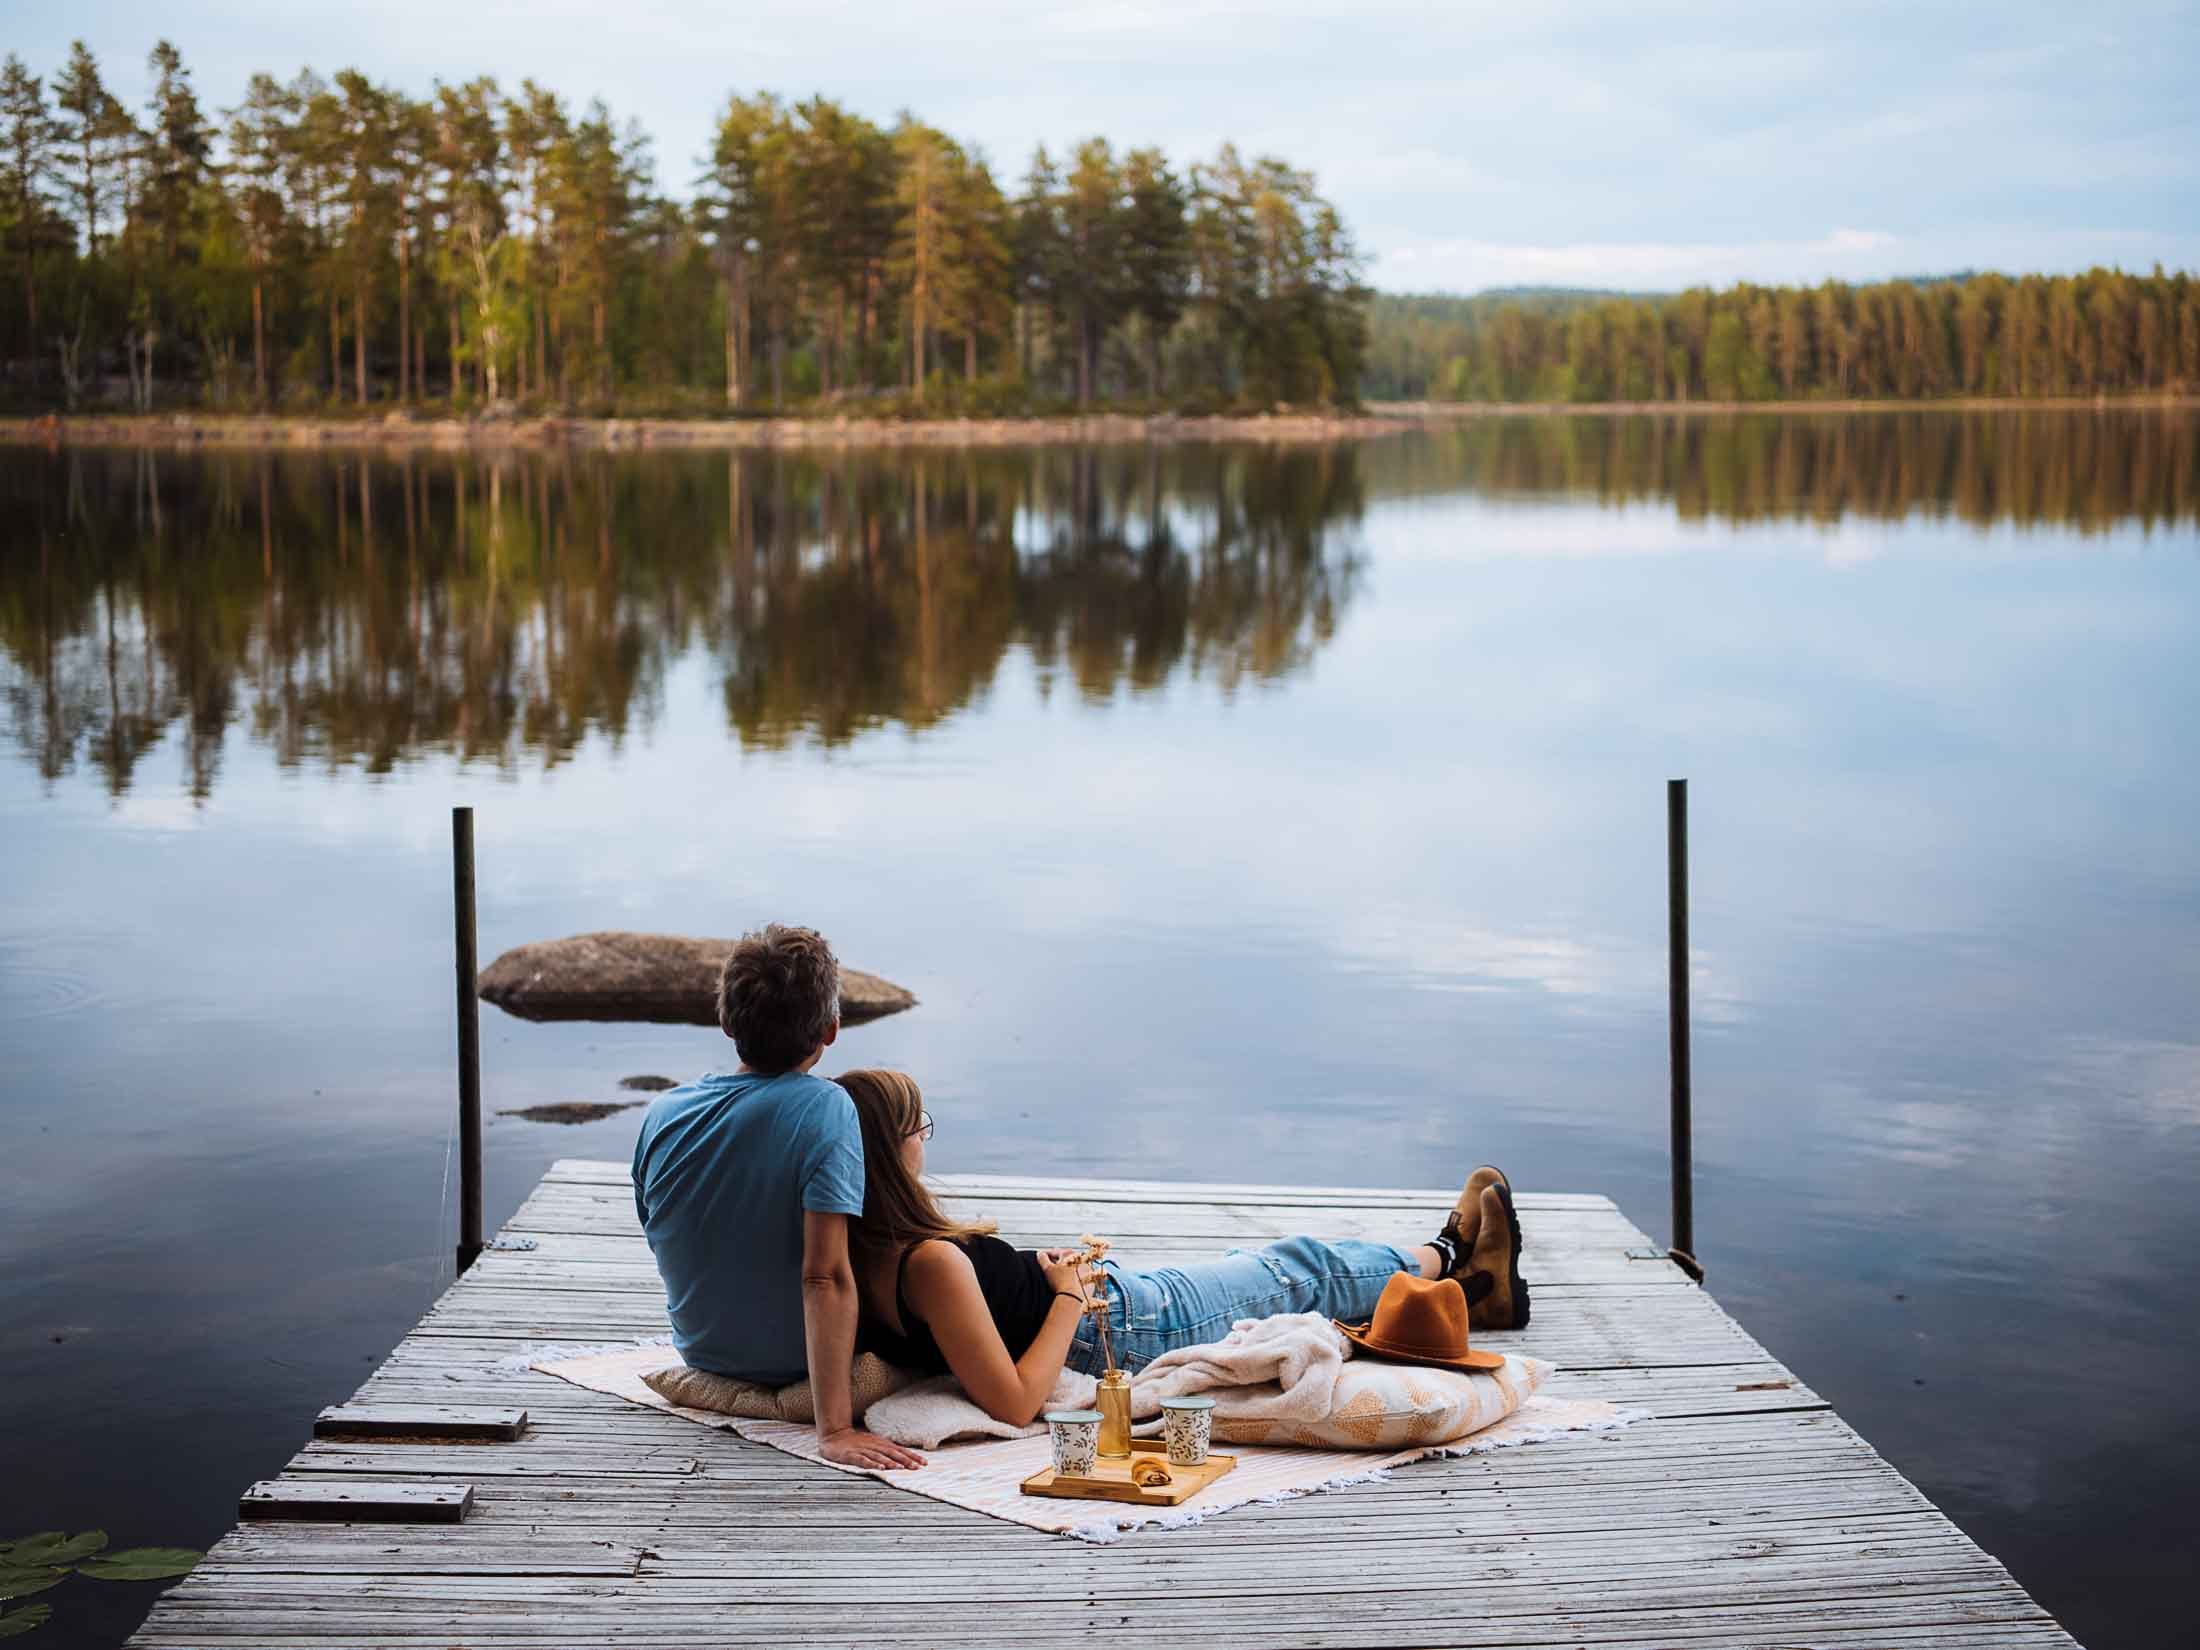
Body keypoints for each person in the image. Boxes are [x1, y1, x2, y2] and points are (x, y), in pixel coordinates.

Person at [836, 1068, 1529, 1428]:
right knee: (1294, 1271)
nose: (926, 1139)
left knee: (1263, 1270)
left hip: (1107, 1309)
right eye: (917, 1127)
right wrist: (1071, 1295)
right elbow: (1015, 1404)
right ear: (892, 1151)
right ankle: (1450, 1255)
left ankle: (1463, 1285)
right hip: (1122, 1325)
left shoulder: (844, 1245)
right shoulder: (927, 1262)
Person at [631, 926, 925, 1471]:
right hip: (794, 1362)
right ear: (831, 1029)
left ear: (726, 1022)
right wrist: (834, 1428)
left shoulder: (662, 1113)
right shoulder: (826, 1107)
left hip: (702, 1350)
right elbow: (824, 1276)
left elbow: (660, 1230)